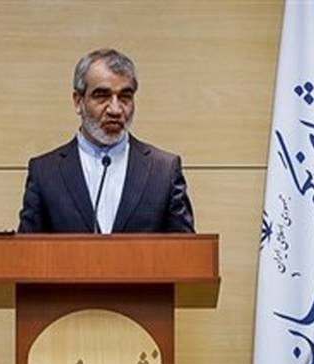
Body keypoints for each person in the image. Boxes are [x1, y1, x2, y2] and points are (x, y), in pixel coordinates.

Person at [17, 48, 195, 234]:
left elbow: (185, 248)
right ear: (78, 102)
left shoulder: (163, 171)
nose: (115, 110)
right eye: (102, 96)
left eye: (125, 97)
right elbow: (27, 248)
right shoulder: (45, 172)